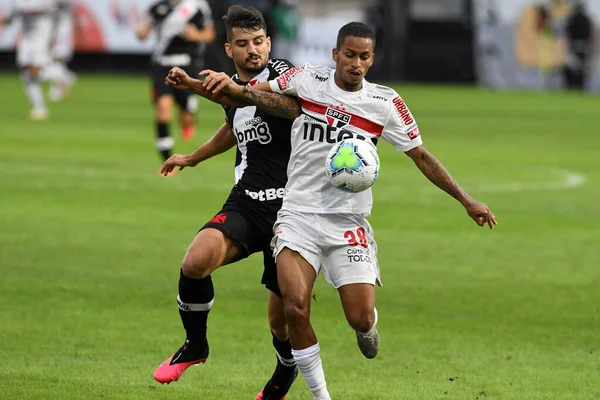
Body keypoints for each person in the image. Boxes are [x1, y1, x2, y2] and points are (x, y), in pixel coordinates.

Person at [171, 21, 497, 399]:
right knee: (295, 308)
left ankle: (367, 325)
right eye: (349, 55)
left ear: (372, 59)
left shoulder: (385, 103)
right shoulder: (307, 80)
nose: (356, 63)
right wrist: (200, 86)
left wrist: (466, 199)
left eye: (364, 57)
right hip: (297, 215)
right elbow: (249, 95)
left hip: (347, 220)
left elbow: (421, 156)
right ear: (335, 54)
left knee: (358, 317)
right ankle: (321, 396)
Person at [156, 5, 305, 399]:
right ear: (229, 49)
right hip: (248, 201)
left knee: (283, 320)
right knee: (195, 261)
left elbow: (290, 108)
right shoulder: (231, 85)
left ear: (269, 43)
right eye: (243, 44)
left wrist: (234, 91)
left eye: (259, 42)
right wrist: (192, 156)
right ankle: (196, 345)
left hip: (292, 210)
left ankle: (284, 373)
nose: (253, 50)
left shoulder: (284, 74)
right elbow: (233, 124)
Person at [136, 0, 216, 173]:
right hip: (162, 65)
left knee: (187, 115)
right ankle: (166, 159)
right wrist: (143, 31)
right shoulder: (157, 7)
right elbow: (142, 33)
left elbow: (210, 34)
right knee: (163, 107)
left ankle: (187, 120)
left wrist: (196, 35)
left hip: (187, 66)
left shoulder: (197, 6)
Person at [0, 0, 55, 120]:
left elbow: (49, 10)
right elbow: (9, 19)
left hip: (42, 34)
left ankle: (59, 77)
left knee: (35, 68)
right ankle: (40, 108)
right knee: (25, 70)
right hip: (27, 37)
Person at [44, 0, 77, 102]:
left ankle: (61, 82)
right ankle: (66, 79)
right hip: (60, 30)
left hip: (60, 32)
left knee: (53, 60)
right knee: (54, 61)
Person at [564, 1, 594, 90]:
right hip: (585, 47)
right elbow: (591, 36)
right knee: (582, 69)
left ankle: (572, 87)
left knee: (572, 68)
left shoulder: (572, 19)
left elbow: (568, 34)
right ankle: (580, 87)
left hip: (575, 46)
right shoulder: (587, 19)